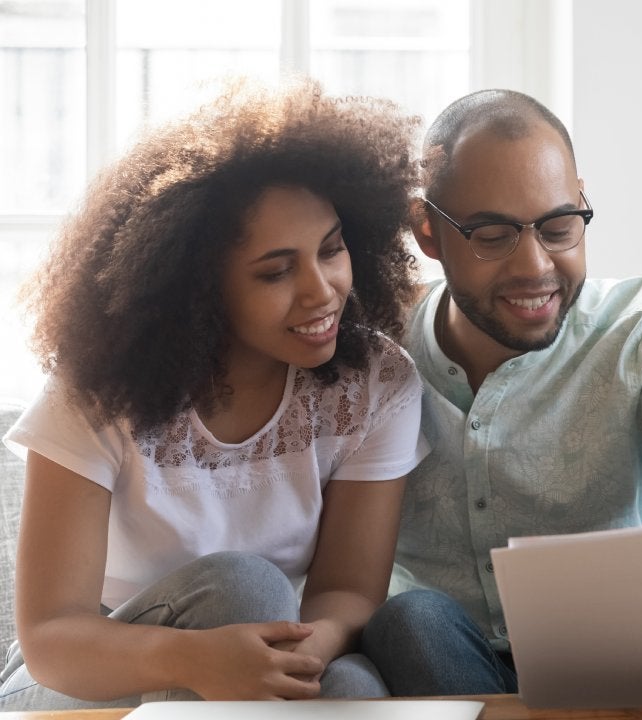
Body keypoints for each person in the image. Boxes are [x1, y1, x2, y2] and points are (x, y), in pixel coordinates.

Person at [361, 89, 642, 696]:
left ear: (582, 202)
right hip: (445, 659)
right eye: (493, 235)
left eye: (559, 228)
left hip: (623, 657)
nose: (535, 266)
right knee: (411, 618)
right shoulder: (370, 352)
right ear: (427, 230)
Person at [0, 78, 428, 710]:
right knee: (244, 587)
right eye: (277, 270)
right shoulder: (101, 391)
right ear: (196, 288)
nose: (322, 290)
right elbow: (51, 640)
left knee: (354, 688)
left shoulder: (374, 383)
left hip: (260, 650)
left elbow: (346, 593)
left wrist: (301, 654)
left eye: (332, 249)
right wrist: (200, 660)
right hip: (85, 680)